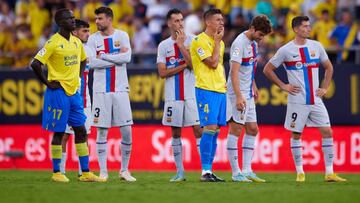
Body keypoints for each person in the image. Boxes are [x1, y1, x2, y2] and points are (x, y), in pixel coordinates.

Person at [263, 16, 347, 182]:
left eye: (309, 26)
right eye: (305, 26)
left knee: (327, 132)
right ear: (296, 29)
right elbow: (267, 69)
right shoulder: (286, 50)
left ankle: (329, 172)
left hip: (315, 100)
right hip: (297, 101)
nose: (309, 29)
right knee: (296, 134)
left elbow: (328, 67)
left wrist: (325, 87)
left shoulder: (316, 46)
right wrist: (283, 86)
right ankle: (300, 172)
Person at [30, 8, 104, 183]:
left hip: (74, 93)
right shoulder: (53, 43)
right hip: (58, 92)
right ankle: (57, 172)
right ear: (60, 22)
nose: (73, 20)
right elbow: (35, 63)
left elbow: (83, 59)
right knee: (59, 132)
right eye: (69, 18)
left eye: (73, 18)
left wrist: (77, 77)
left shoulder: (76, 42)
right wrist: (48, 83)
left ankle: (85, 172)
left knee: (81, 130)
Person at [87, 6, 135, 182]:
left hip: (121, 89)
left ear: (109, 19)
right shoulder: (92, 40)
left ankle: (124, 170)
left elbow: (127, 58)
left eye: (100, 18)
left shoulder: (122, 35)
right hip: (101, 91)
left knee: (127, 131)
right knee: (101, 132)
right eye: (96, 19)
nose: (97, 22)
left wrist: (105, 57)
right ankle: (103, 172)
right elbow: (91, 64)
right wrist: (116, 59)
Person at [157, 8, 202, 182]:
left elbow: (194, 66)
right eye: (176, 21)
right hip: (172, 97)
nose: (180, 23)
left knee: (198, 130)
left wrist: (182, 45)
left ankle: (205, 170)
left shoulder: (193, 40)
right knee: (175, 132)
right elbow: (162, 73)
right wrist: (182, 66)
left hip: (191, 95)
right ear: (169, 23)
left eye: (181, 20)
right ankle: (180, 171)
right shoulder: (163, 46)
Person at [226, 15, 272, 183]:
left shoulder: (253, 43)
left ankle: (247, 170)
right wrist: (239, 96)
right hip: (237, 92)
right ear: (252, 29)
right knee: (236, 129)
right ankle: (235, 172)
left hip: (248, 91)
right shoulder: (239, 43)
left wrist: (254, 85)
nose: (261, 38)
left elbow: (249, 68)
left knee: (252, 129)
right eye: (260, 34)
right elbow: (234, 72)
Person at [190, 8, 226, 182]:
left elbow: (219, 66)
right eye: (218, 19)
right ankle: (205, 171)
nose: (222, 22)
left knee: (216, 130)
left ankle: (209, 171)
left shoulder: (220, 42)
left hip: (220, 90)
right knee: (209, 127)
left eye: (222, 19)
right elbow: (212, 63)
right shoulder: (199, 41)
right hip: (205, 89)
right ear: (208, 22)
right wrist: (218, 42)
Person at [59, 19, 92, 177]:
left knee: (83, 134)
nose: (88, 34)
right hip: (68, 97)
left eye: (88, 30)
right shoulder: (66, 47)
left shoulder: (89, 50)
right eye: (84, 31)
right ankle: (60, 171)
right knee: (64, 135)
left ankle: (83, 172)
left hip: (85, 100)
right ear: (75, 32)